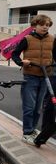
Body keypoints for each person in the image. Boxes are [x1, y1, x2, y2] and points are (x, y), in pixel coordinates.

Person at [11, 14, 56, 145]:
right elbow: (15, 54)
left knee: (38, 107)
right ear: (35, 25)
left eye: (47, 25)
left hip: (45, 76)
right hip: (30, 76)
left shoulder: (52, 39)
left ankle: (32, 129)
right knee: (29, 106)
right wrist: (21, 62)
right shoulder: (27, 39)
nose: (45, 27)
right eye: (42, 25)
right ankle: (27, 132)